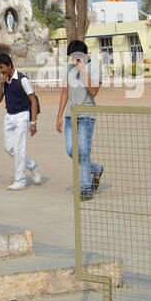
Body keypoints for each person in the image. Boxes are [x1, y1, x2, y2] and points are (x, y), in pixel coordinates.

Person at [56, 39, 103, 201]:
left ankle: (85, 188)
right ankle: (95, 169)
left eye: (77, 57)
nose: (74, 60)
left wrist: (83, 71)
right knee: (71, 150)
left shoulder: (95, 66)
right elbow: (64, 93)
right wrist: (59, 115)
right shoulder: (67, 68)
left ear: (84, 55)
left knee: (83, 151)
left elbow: (94, 91)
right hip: (71, 115)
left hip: (87, 115)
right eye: (71, 57)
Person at [0, 53, 41, 191]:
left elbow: (33, 100)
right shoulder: (4, 80)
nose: (0, 71)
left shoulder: (22, 79)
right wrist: (1, 85)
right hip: (9, 116)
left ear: (9, 65)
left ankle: (20, 180)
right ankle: (32, 165)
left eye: (1, 67)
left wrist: (33, 123)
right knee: (8, 148)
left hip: (22, 115)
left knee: (19, 148)